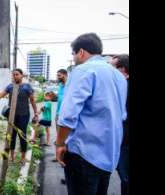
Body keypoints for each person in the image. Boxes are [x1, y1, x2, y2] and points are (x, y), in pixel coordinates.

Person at [55, 33, 127, 195]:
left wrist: (60, 144)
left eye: (73, 54)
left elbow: (67, 116)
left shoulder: (83, 71)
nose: (73, 59)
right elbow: (121, 115)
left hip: (84, 154)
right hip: (109, 156)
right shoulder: (119, 76)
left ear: (81, 52)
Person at [0, 68, 39, 165]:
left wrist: (35, 113)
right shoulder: (10, 87)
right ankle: (12, 157)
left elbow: (32, 101)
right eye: (13, 75)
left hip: (24, 115)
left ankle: (23, 158)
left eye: (17, 74)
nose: (14, 76)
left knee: (22, 136)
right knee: (12, 136)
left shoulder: (27, 87)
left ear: (22, 75)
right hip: (12, 116)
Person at [110, 54, 129, 195]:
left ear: (123, 69)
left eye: (113, 68)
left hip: (125, 142)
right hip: (123, 141)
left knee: (126, 177)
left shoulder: (124, 87)